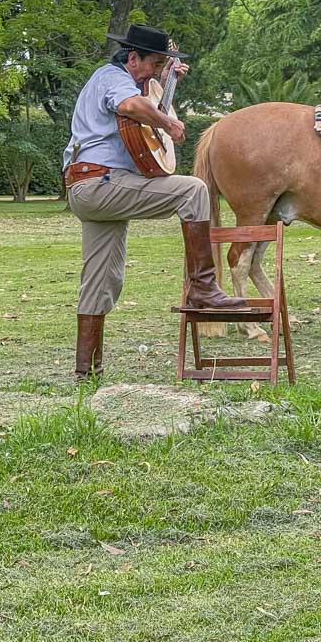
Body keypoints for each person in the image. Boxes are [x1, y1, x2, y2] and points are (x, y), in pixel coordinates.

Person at [64, 23, 245, 380]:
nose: (154, 71)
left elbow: (143, 115)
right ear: (132, 58)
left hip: (90, 186)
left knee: (103, 277)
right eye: (154, 63)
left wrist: (165, 81)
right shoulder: (113, 77)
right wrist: (170, 124)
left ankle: (87, 371)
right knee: (192, 190)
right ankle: (204, 287)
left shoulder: (131, 81)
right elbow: (132, 105)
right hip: (101, 183)